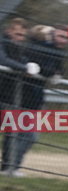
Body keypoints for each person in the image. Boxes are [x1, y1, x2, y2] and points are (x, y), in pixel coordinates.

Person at [12, 24, 66, 175]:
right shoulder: (37, 48)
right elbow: (44, 68)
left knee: (28, 135)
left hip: (36, 98)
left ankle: (13, 165)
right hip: (24, 96)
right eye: (59, 36)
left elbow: (57, 69)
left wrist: (56, 73)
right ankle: (11, 166)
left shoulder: (57, 52)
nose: (63, 41)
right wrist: (51, 72)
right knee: (26, 135)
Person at [0, 17, 40, 175]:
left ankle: (7, 167)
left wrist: (30, 66)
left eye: (23, 35)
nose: (20, 38)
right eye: (17, 34)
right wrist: (24, 68)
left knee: (11, 133)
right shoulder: (2, 43)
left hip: (9, 97)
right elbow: (3, 60)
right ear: (9, 31)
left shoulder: (18, 48)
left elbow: (21, 61)